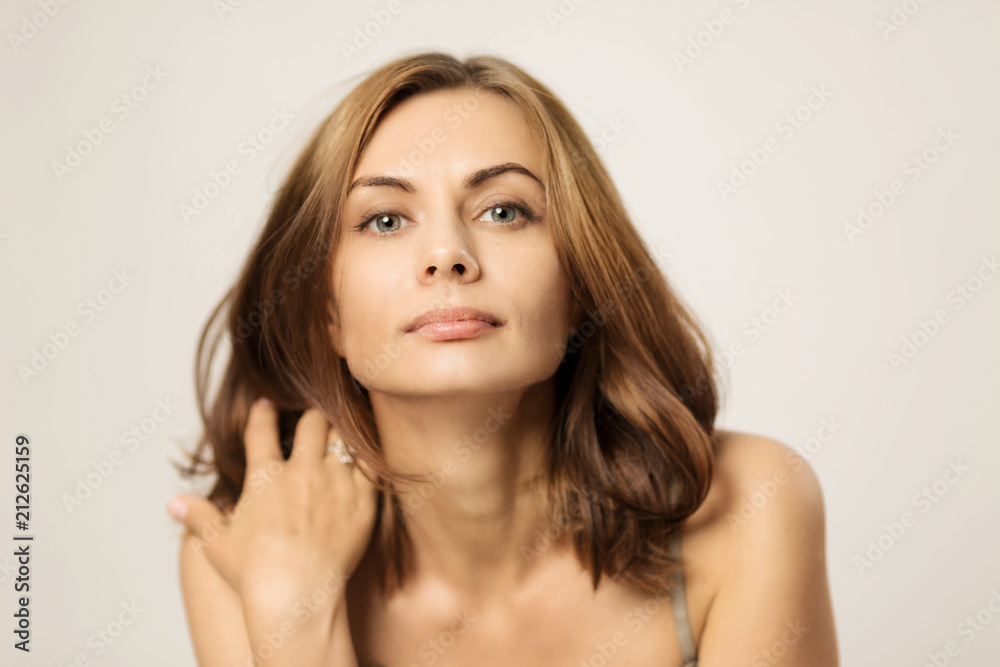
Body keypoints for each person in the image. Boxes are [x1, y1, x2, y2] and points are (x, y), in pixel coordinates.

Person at [167, 50, 839, 666]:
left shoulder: (751, 505)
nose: (447, 254)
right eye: (385, 220)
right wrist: (295, 618)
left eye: (504, 211)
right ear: (326, 313)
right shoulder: (243, 548)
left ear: (580, 285)